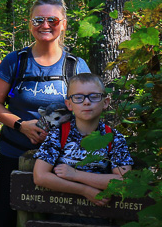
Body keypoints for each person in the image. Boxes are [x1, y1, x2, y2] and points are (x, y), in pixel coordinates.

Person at [0, 0, 91, 227]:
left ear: (63, 24)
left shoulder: (74, 64)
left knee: (54, 214)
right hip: (14, 152)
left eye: (52, 20)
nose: (45, 25)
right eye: (38, 19)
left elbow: (85, 108)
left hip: (60, 157)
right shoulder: (15, 61)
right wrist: (21, 125)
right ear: (31, 23)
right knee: (7, 213)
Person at [32, 73, 133, 203]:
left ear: (105, 102)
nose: (86, 102)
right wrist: (85, 190)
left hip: (102, 216)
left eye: (94, 97)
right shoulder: (59, 134)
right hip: (59, 213)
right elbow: (40, 176)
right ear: (69, 104)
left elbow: (124, 181)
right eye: (78, 97)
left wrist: (75, 174)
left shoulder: (113, 138)